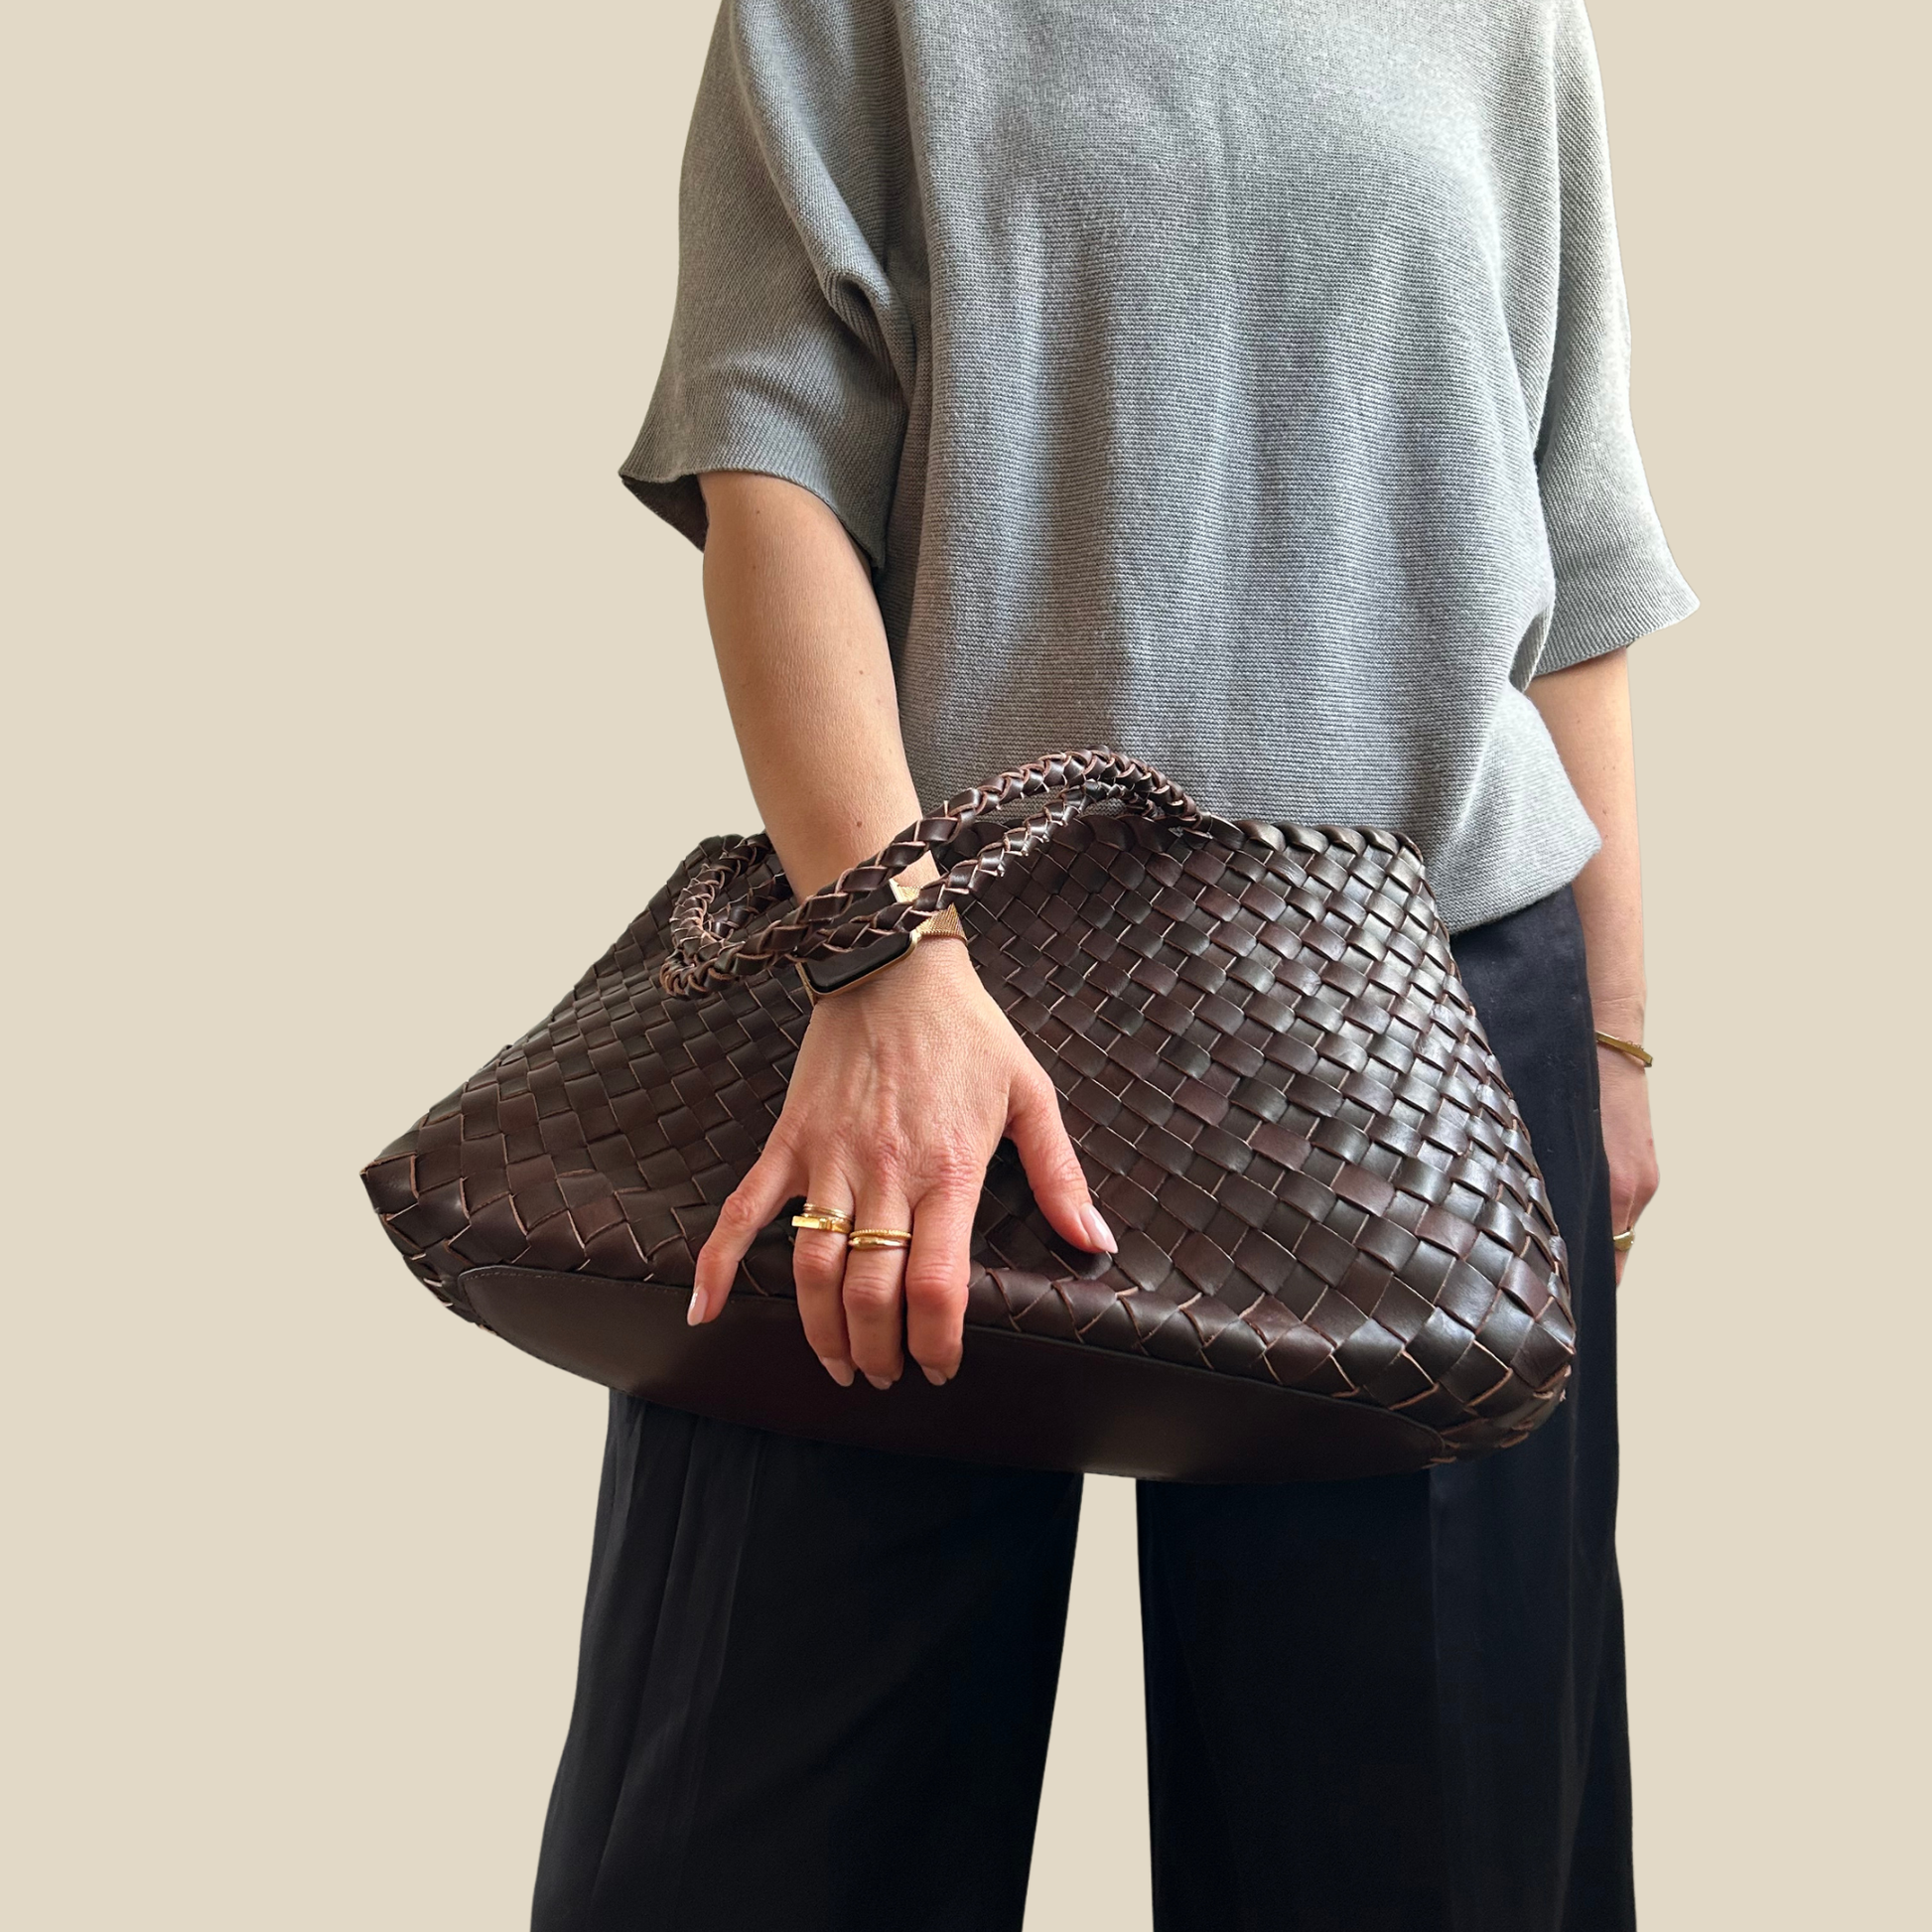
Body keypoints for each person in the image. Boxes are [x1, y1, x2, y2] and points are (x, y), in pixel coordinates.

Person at [531, 1, 1696, 1926]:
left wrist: (1616, 1049)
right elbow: (766, 465)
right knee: (746, 1836)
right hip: (927, 996)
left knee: (1422, 1855)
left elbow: (1572, 550)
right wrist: (883, 956)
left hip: (1425, 1038)